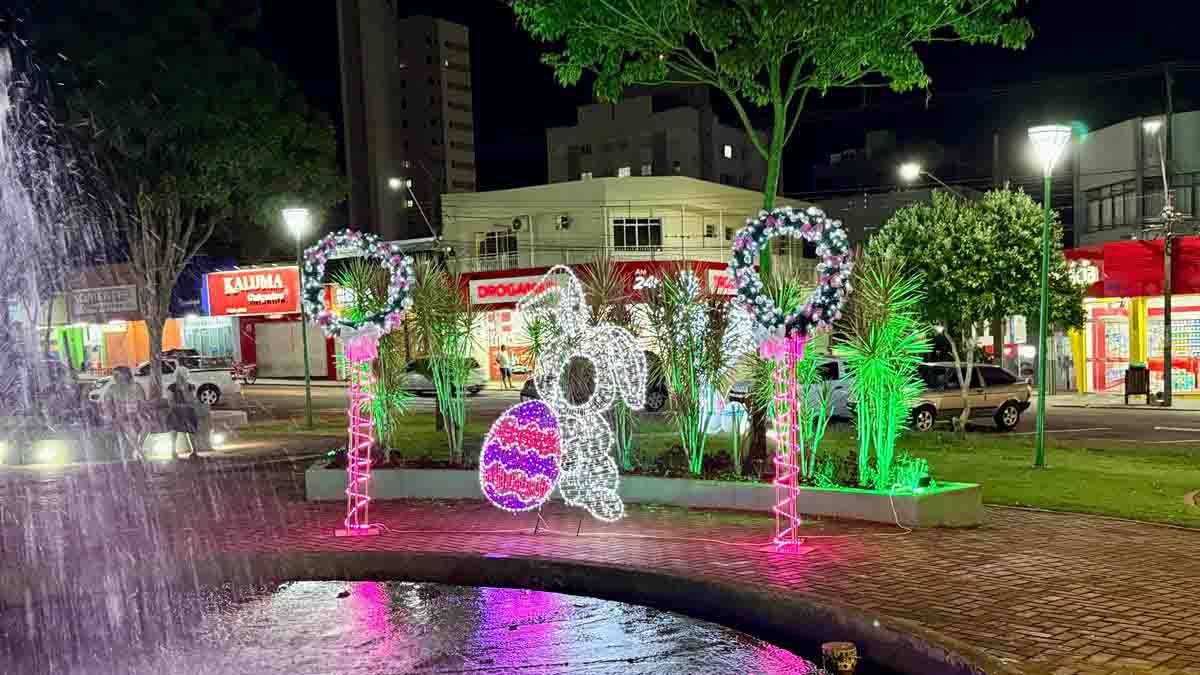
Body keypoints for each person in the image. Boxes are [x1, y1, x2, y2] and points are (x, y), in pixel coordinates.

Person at [102, 366, 147, 462]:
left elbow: (142, 402)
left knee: (146, 425)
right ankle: (142, 455)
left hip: (136, 413)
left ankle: (137, 450)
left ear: (126, 375)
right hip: (122, 416)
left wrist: (140, 411)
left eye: (117, 374)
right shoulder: (112, 388)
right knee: (130, 430)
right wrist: (110, 414)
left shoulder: (136, 386)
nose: (114, 377)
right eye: (114, 375)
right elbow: (106, 404)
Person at [167, 365, 207, 460]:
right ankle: (173, 451)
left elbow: (191, 400)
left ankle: (194, 451)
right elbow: (170, 401)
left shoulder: (190, 386)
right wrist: (179, 406)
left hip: (187, 411)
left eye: (182, 376)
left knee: (190, 431)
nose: (180, 378)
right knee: (174, 431)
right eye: (179, 376)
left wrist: (184, 390)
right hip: (177, 411)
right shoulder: (172, 387)